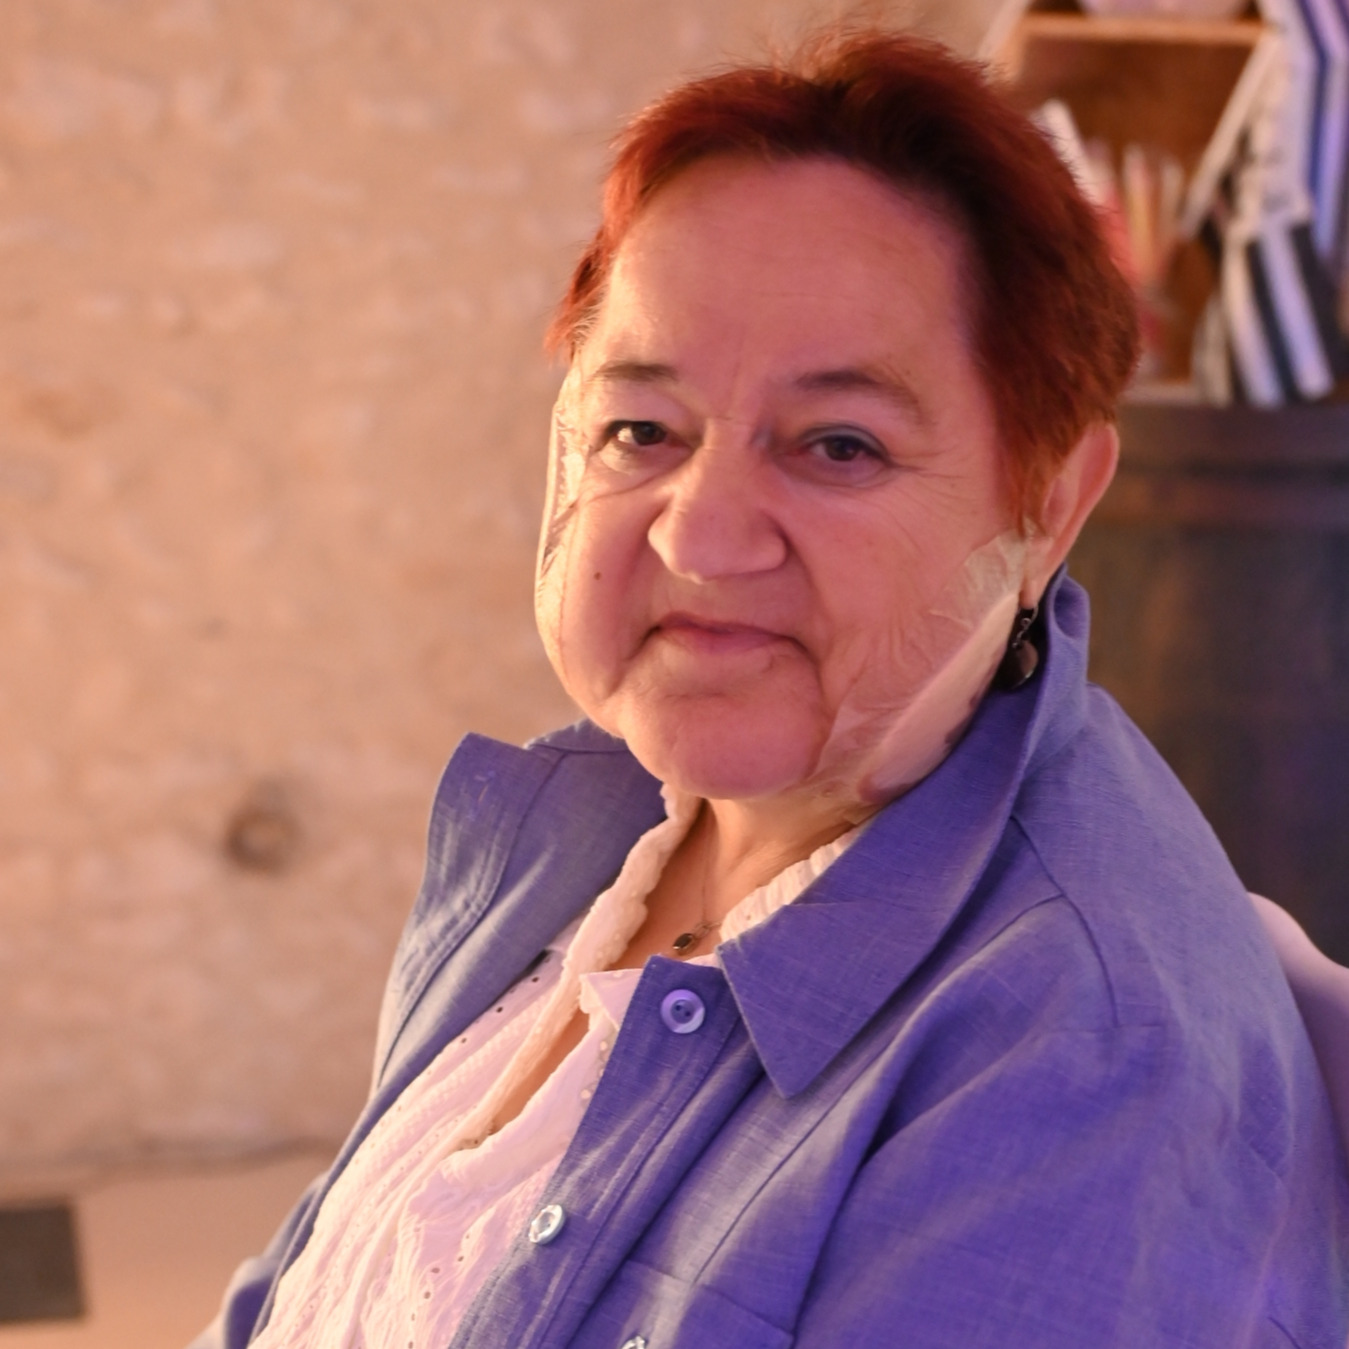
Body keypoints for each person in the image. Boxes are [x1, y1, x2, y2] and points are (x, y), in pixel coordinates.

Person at [195, 29, 1349, 1349]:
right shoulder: (578, 829)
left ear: (1049, 504)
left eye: (838, 445)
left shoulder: (1082, 1070)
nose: (699, 534)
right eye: (641, 429)